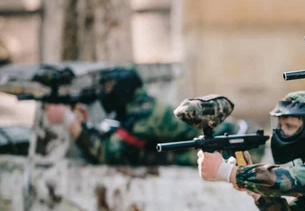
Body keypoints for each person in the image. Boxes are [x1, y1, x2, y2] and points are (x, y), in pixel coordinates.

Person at [45, 67, 260, 166]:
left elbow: (107, 153)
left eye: (108, 89)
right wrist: (85, 125)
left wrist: (68, 121)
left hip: (240, 152)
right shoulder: (139, 107)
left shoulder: (145, 116)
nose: (103, 95)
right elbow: (116, 135)